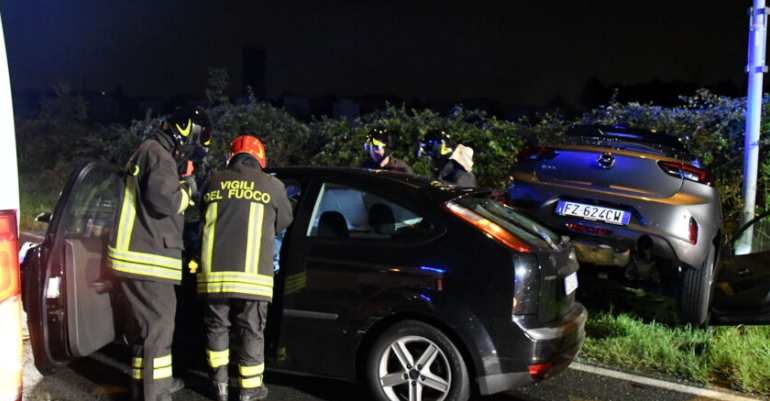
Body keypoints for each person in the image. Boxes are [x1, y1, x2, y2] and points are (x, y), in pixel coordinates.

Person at [107, 106, 211, 401]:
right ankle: (155, 394)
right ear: (186, 135)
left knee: (146, 337)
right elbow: (164, 201)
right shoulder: (160, 156)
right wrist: (189, 190)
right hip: (147, 260)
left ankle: (147, 388)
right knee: (157, 334)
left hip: (136, 258)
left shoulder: (147, 151)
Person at [197, 135, 294, 401]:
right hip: (253, 279)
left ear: (231, 157)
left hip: (214, 277)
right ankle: (249, 391)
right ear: (260, 159)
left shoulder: (213, 181)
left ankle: (219, 386)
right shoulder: (272, 185)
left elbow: (200, 215)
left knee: (217, 329)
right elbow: (285, 220)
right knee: (251, 332)